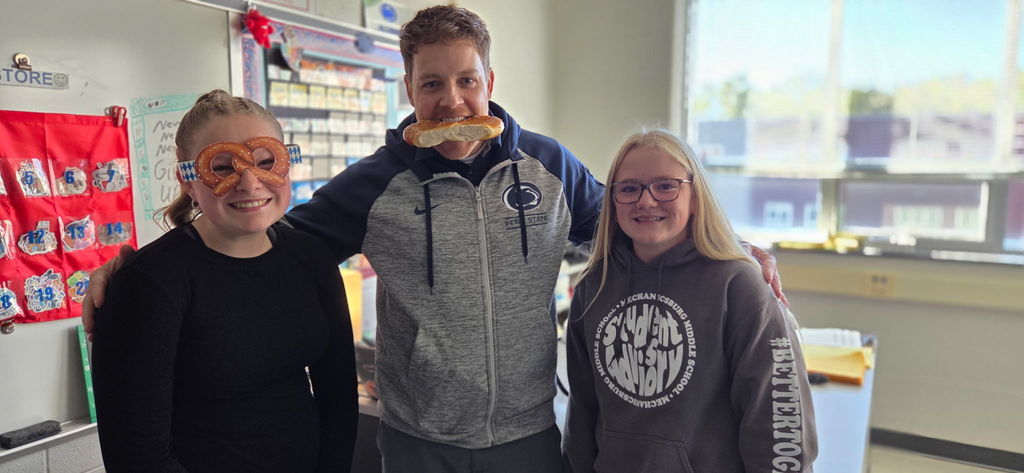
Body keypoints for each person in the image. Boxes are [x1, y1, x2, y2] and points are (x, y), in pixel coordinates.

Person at [85, 6, 786, 472]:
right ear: (410, 91)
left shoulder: (551, 165)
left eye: (465, 80)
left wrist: (730, 244)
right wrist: (134, 272)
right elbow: (259, 235)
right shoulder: (373, 183)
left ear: (490, 81)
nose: (451, 100)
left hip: (529, 434)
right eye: (431, 84)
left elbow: (639, 226)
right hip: (417, 438)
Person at [90, 90, 358, 473]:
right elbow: (136, 453)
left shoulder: (311, 259)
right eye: (222, 167)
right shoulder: (149, 283)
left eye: (267, 161)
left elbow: (338, 399)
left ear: (287, 164)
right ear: (188, 180)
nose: (249, 183)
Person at [561, 129, 816, 473]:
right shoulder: (595, 286)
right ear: (613, 200)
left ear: (695, 196)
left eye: (666, 186)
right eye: (629, 188)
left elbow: (781, 423)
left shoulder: (740, 286)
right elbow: (582, 413)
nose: (646, 200)